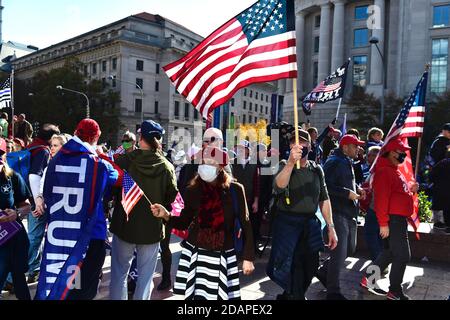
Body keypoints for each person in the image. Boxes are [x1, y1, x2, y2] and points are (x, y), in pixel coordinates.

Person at [151, 146, 255, 300]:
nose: (206, 165)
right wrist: (166, 215)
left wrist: (248, 257)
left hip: (223, 254)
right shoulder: (193, 190)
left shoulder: (235, 190)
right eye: (204, 161)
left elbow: (246, 224)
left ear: (221, 166)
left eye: (211, 162)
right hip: (196, 254)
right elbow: (183, 223)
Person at [33, 119, 119, 300]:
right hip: (91, 236)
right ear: (96, 138)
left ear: (75, 133)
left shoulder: (55, 161)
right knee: (86, 287)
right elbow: (116, 177)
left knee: (68, 284)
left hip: (62, 234)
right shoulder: (98, 164)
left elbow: (46, 190)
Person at [109, 120, 178, 300]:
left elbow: (112, 185)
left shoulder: (126, 160)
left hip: (125, 225)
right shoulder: (167, 166)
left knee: (119, 274)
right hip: (151, 229)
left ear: (141, 138)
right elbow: (171, 196)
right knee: (145, 278)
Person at [267, 129, 338, 300]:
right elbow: (279, 185)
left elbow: (324, 199)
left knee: (311, 264)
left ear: (311, 145)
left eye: (303, 142)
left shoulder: (316, 169)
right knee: (292, 264)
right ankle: (294, 295)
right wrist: (291, 163)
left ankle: (291, 295)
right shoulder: (284, 164)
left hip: (309, 224)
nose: (298, 145)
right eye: (294, 142)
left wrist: (331, 227)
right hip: (287, 224)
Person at [360, 139, 419, 300]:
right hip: (393, 221)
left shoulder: (395, 171)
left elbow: (399, 196)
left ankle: (369, 280)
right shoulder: (385, 171)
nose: (404, 155)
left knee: (390, 252)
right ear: (392, 152)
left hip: (396, 220)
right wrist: (383, 224)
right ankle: (394, 291)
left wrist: (412, 191)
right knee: (402, 255)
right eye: (401, 152)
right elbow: (381, 200)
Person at [317, 134, 367, 300]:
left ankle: (324, 271)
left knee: (349, 250)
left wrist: (358, 189)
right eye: (355, 146)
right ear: (345, 147)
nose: (358, 148)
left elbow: (346, 183)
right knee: (339, 254)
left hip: (349, 213)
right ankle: (333, 292)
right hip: (337, 213)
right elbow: (324, 187)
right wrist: (347, 194)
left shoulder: (346, 160)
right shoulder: (334, 161)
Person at [26, 124, 61, 284]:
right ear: (50, 139)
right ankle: (14, 275)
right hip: (37, 202)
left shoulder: (32, 147)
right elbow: (34, 176)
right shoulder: (43, 151)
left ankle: (33, 269)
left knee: (35, 237)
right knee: (34, 238)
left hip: (30, 199)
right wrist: (38, 201)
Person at [0, 138, 32, 300]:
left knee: (19, 279)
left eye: (1, 154)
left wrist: (16, 213)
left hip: (15, 237)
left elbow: (26, 205)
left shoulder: (12, 176)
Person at [232, 140, 260, 253]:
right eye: (238, 148)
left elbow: (257, 184)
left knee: (248, 225)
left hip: (248, 200)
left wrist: (256, 201)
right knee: (235, 225)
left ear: (248, 150)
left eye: (242, 148)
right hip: (234, 200)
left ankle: (247, 249)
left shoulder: (254, 164)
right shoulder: (232, 163)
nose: (240, 150)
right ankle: (235, 248)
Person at [427, 123, 450, 230]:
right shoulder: (438, 142)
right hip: (440, 174)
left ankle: (446, 222)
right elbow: (433, 159)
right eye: (448, 131)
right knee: (439, 198)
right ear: (444, 131)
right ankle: (438, 221)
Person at [429, 147, 450, 234]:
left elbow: (432, 175)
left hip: (440, 190)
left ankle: (444, 225)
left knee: (445, 208)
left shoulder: (442, 162)